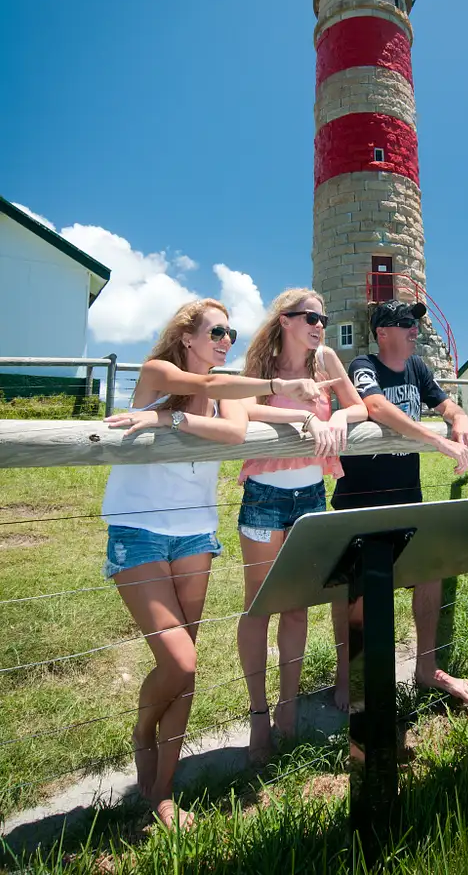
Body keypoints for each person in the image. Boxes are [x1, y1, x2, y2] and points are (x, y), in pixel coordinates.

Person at [102, 297, 330, 828]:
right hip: (137, 530)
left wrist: (169, 419)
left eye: (231, 333)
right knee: (180, 662)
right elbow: (206, 390)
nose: (226, 340)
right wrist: (274, 387)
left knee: (187, 667)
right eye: (216, 331)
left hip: (195, 535)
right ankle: (142, 734)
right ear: (187, 336)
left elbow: (232, 429)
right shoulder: (158, 371)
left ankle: (162, 791)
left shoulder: (224, 388)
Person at [236, 288, 367, 763]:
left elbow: (358, 406)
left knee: (295, 609)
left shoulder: (327, 359)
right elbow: (241, 408)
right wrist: (303, 421)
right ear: (286, 320)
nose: (319, 325)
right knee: (258, 607)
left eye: (324, 318)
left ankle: (287, 708)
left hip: (313, 496)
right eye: (310, 317)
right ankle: (258, 717)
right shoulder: (264, 364)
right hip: (265, 496)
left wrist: (337, 423)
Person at [331, 299, 468, 709]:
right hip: (361, 501)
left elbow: (444, 402)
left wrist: (459, 418)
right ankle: (348, 674)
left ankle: (426, 668)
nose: (414, 328)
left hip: (406, 499)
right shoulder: (364, 364)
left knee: (429, 572)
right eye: (404, 322)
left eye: (415, 321)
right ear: (382, 332)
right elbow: (375, 406)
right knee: (357, 595)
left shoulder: (418, 369)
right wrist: (436, 440)